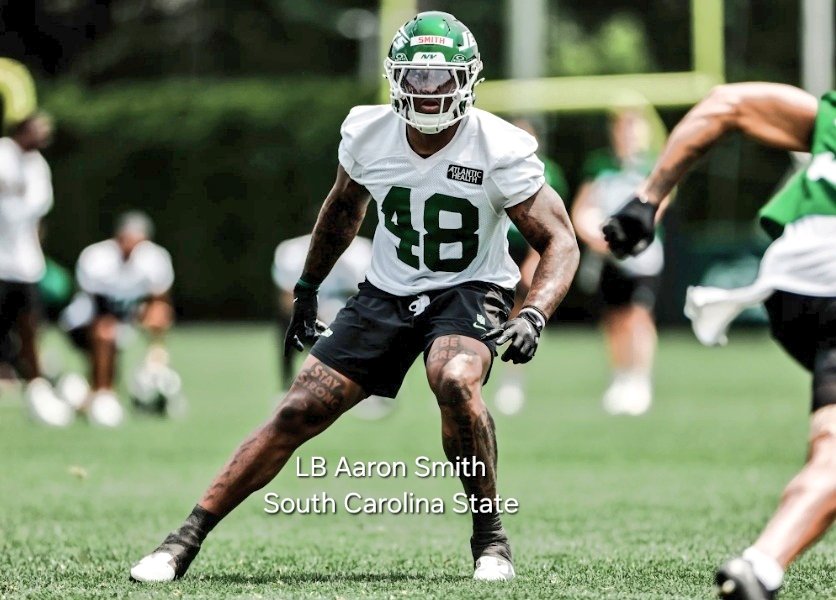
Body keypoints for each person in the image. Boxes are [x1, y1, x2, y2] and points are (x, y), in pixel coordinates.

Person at [130, 11, 579, 584]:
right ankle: (181, 541)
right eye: (416, 78)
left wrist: (535, 313)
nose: (429, 91)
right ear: (396, 79)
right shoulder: (369, 132)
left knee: (456, 377)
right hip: (387, 290)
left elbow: (560, 240)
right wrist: (307, 290)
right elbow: (343, 210)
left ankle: (490, 539)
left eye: (442, 79)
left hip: (470, 288)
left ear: (467, 80)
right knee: (297, 410)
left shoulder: (500, 144)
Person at [602, 83, 835, 599]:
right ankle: (763, 564)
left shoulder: (831, 119)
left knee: (832, 441)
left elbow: (727, 103)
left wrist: (647, 200)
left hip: (792, 287)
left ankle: (760, 566)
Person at [572, 108, 664, 416]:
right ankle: (621, 377)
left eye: (634, 127)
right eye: (623, 128)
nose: (628, 134)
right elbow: (583, 209)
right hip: (608, 256)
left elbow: (658, 208)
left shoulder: (653, 166)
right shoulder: (600, 166)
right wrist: (596, 235)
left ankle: (640, 380)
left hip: (641, 257)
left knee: (638, 317)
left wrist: (630, 234)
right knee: (614, 319)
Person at [59, 211, 175, 426]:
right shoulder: (96, 257)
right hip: (83, 323)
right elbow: (98, 311)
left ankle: (155, 365)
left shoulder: (155, 259)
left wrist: (155, 346)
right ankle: (103, 394)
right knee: (105, 333)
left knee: (158, 315)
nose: (130, 247)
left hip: (122, 321)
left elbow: (159, 303)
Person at [0, 112, 73, 426]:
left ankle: (36, 381)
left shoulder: (38, 166)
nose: (44, 135)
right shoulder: (3, 152)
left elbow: (37, 211)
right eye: (38, 129)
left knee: (31, 325)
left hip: (26, 264)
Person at [493, 117, 570, 415]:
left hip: (528, 243)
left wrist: (535, 259)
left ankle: (512, 379)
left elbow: (554, 226)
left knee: (519, 311)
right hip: (497, 244)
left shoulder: (546, 170)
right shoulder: (493, 163)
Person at [273, 234, 395, 420]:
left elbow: (370, 294)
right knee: (287, 324)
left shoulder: (360, 250)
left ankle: (371, 392)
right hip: (309, 314)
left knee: (379, 323)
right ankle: (287, 386)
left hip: (348, 311)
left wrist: (344, 315)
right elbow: (286, 299)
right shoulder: (292, 251)